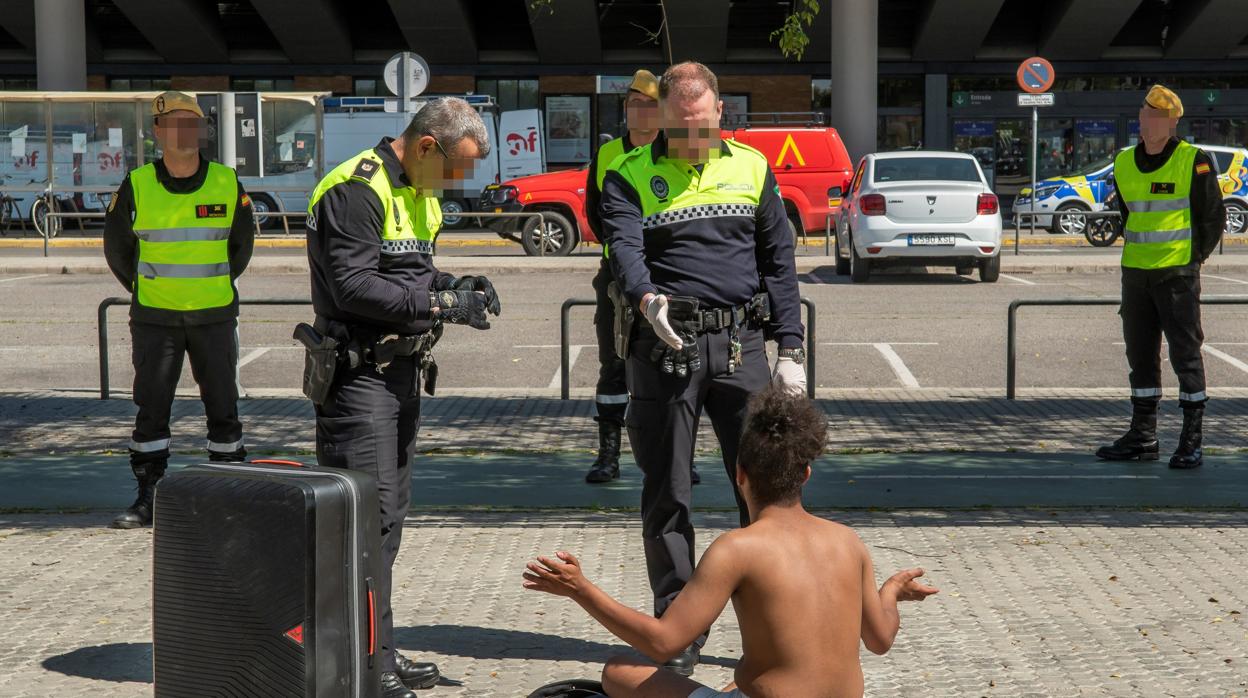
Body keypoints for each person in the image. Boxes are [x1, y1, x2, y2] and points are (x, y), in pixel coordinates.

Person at [523, 385, 938, 698]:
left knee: (617, 672)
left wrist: (581, 589)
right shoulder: (848, 542)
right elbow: (880, 640)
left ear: (739, 474)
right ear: (806, 475)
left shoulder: (738, 549)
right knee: (734, 682)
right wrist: (890, 591)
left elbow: (665, 641)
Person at [598, 61, 807, 675]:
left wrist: (790, 349)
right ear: (663, 115)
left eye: (702, 125)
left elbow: (779, 261)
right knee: (667, 490)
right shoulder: (629, 173)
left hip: (741, 345)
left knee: (768, 490)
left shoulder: (752, 167)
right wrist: (646, 300)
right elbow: (625, 253)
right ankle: (678, 627)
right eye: (681, 126)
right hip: (665, 347)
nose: (692, 138)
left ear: (721, 112)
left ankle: (768, 622)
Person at [304, 97, 499, 698]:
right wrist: (441, 305)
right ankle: (361, 665)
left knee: (386, 526)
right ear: (424, 147)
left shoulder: (418, 190)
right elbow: (355, 285)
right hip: (359, 380)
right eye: (457, 167)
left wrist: (451, 284)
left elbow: (409, 274)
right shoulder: (354, 190)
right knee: (365, 526)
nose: (461, 182)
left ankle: (377, 650)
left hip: (399, 377)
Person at [103, 91, 254, 529]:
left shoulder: (227, 182)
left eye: (192, 123)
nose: (185, 132)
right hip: (156, 320)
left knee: (223, 409)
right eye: (175, 124)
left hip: (214, 317)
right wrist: (147, 286)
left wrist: (215, 283)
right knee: (152, 410)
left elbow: (241, 246)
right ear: (158, 132)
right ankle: (150, 497)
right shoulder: (137, 185)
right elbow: (117, 250)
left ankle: (229, 495)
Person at [1097, 85, 1224, 470]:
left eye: (1154, 116)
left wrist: (1192, 260)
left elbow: (1212, 218)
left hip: (1176, 275)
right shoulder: (1122, 163)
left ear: (1170, 122)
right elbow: (1127, 214)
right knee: (1140, 356)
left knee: (1185, 356)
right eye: (1143, 113)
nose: (1145, 120)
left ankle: (1192, 439)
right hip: (1136, 275)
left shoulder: (1193, 160)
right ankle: (1143, 435)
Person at [583, 68, 669, 484]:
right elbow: (595, 212)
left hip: (665, 275)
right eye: (635, 104)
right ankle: (608, 456)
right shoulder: (606, 153)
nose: (642, 112)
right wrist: (620, 252)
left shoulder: (671, 153)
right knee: (612, 365)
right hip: (616, 278)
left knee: (671, 366)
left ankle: (676, 457)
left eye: (650, 105)